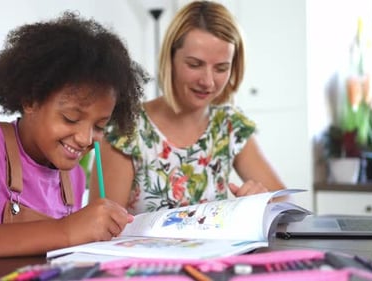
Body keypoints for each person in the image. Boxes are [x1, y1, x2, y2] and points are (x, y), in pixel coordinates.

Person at [0, 11, 147, 266]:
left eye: (99, 125)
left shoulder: (72, 177)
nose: (85, 139)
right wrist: (66, 231)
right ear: (30, 99)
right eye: (71, 118)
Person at [89, 1, 285, 215]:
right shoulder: (127, 127)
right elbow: (101, 226)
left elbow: (285, 201)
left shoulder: (230, 125)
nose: (208, 82)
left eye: (221, 68)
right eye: (194, 65)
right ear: (170, 59)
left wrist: (262, 202)